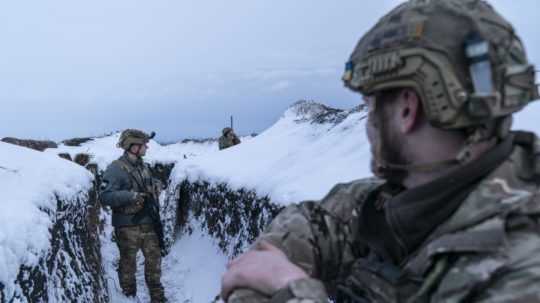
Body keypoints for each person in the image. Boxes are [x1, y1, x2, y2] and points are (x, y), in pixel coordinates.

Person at [221, 0, 540, 302]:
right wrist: (271, 265)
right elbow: (319, 222)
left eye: (371, 106)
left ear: (406, 110)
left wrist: (289, 290)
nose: (369, 123)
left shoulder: (523, 267)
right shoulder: (416, 203)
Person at [101, 129, 167, 303]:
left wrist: (156, 185)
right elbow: (105, 196)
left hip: (149, 223)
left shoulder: (143, 166)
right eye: (144, 144)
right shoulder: (115, 168)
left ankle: (157, 297)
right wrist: (131, 196)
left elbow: (148, 183)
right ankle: (128, 296)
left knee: (154, 261)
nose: (147, 147)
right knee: (128, 264)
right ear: (133, 146)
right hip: (127, 226)